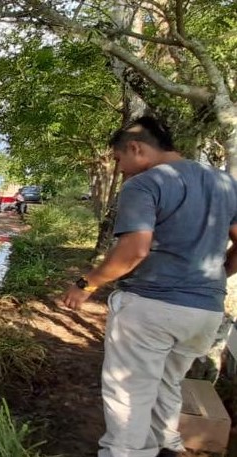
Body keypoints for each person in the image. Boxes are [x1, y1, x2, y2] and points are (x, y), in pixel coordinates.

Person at [62, 116, 237, 457]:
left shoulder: (145, 184)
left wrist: (86, 284)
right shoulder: (225, 184)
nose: (121, 170)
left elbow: (135, 250)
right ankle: (166, 445)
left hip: (152, 308)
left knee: (129, 392)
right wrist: (218, 276)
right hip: (205, 312)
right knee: (167, 383)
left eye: (118, 160)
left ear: (135, 148)